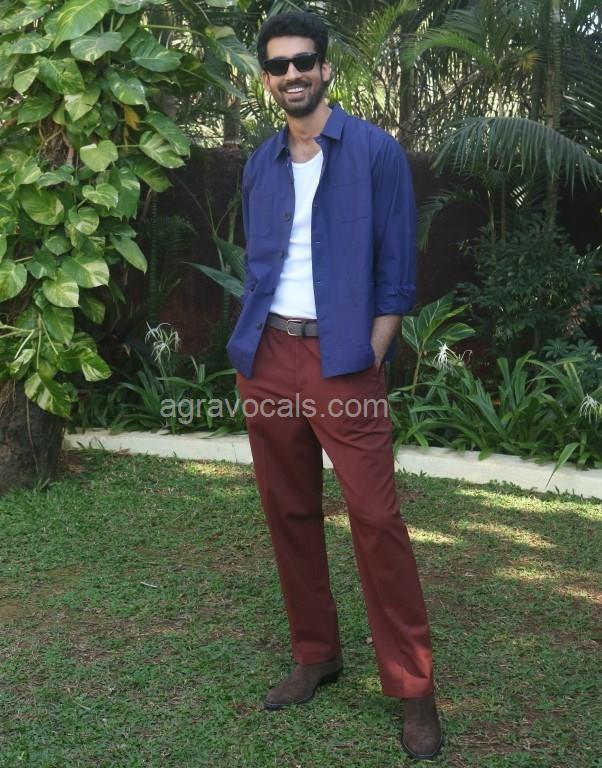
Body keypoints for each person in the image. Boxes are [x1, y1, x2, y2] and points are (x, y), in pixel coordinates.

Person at [226, 10, 443, 761]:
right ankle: (316, 654)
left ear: (325, 69)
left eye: (303, 61)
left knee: (376, 520)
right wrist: (253, 352)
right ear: (266, 78)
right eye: (277, 65)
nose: (292, 74)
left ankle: (414, 688)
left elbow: (398, 273)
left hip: (344, 359)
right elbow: (259, 263)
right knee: (288, 511)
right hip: (268, 357)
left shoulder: (376, 153)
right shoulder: (260, 164)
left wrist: (372, 354)